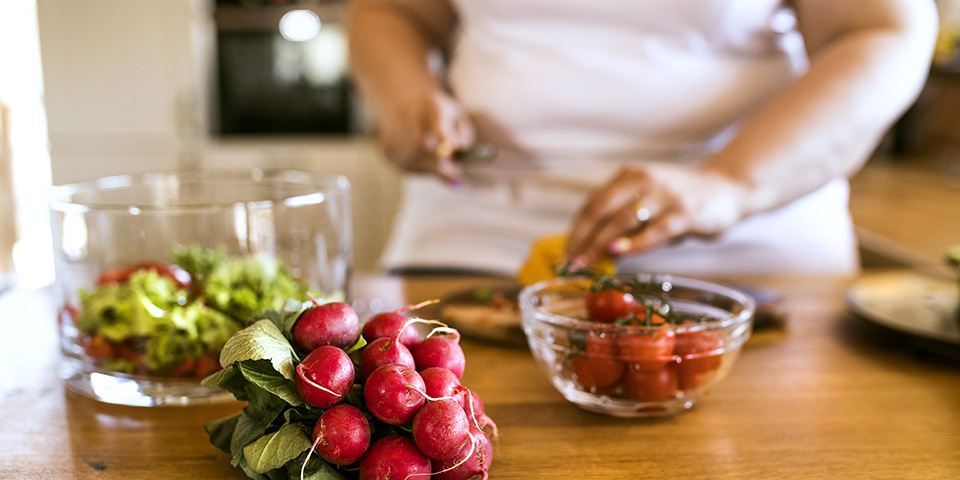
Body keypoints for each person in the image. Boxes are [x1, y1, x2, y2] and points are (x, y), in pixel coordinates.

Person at [346, 0, 938, 277]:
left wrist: (728, 183)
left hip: (748, 261)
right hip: (468, 246)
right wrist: (403, 96)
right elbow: (392, 10)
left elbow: (884, 30)